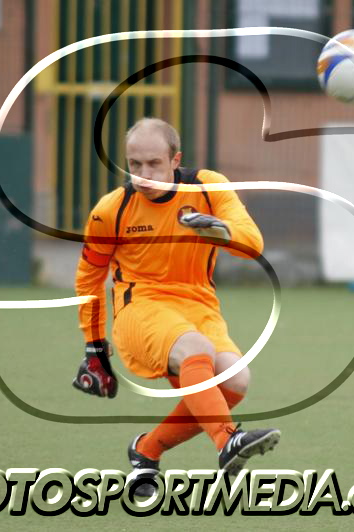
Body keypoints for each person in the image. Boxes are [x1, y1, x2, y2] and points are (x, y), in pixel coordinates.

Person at [72, 117, 280, 494]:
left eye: (154, 163)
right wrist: (94, 346)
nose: (144, 174)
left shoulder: (208, 187)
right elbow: (88, 279)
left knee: (236, 381)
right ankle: (228, 440)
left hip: (199, 305)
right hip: (139, 307)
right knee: (196, 349)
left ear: (175, 160)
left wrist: (218, 230)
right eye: (134, 164)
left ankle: (146, 451)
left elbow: (253, 244)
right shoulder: (111, 210)